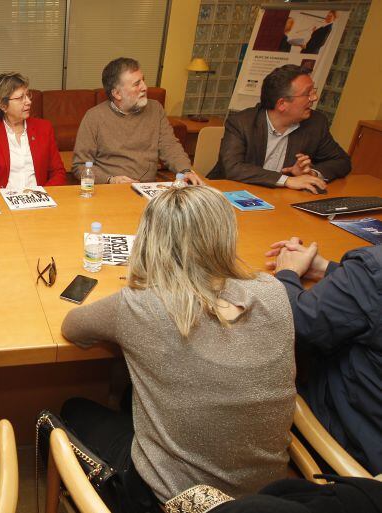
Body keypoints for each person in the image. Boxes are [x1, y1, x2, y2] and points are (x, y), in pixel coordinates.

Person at [59, 186, 295, 512]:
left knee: (73, 408)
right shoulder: (273, 290)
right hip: (268, 497)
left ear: (148, 240)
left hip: (174, 501)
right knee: (134, 395)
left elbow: (73, 327)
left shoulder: (139, 305)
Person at [265, 237, 382, 475]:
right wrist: (329, 270)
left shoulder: (373, 272)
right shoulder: (372, 273)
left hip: (360, 447)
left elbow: (295, 325)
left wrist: (287, 273)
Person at [209, 65, 350, 193]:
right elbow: (233, 168)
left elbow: (341, 161)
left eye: (314, 91)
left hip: (280, 199)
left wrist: (311, 174)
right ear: (282, 104)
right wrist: (287, 180)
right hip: (233, 195)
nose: (314, 97)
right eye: (308, 93)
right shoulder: (242, 123)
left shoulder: (315, 123)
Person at [72, 57, 203, 185]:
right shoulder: (94, 117)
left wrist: (185, 170)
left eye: (143, 81)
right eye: (136, 84)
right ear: (117, 94)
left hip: (147, 188)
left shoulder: (156, 109)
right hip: (110, 189)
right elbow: (80, 166)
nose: (145, 87)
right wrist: (110, 180)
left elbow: (170, 147)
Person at [0, 72, 67, 189]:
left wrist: (43, 194)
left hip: (39, 200)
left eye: (28, 95)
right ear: (3, 105)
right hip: (2, 201)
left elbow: (58, 173)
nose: (28, 101)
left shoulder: (44, 128)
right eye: (20, 98)